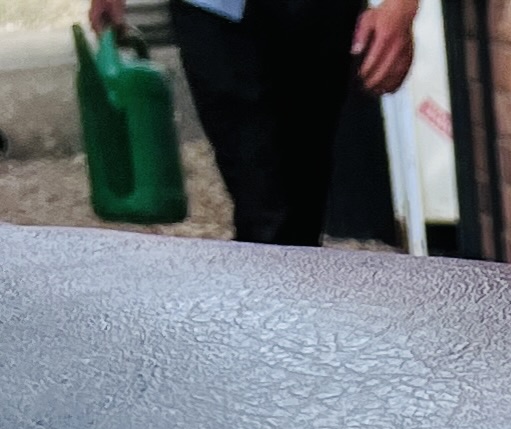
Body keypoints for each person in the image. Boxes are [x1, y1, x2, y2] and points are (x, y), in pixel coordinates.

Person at [88, 0, 415, 249]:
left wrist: (401, 6)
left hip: (318, 11)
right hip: (214, 11)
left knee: (304, 192)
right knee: (264, 201)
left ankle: (288, 317)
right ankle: (273, 322)